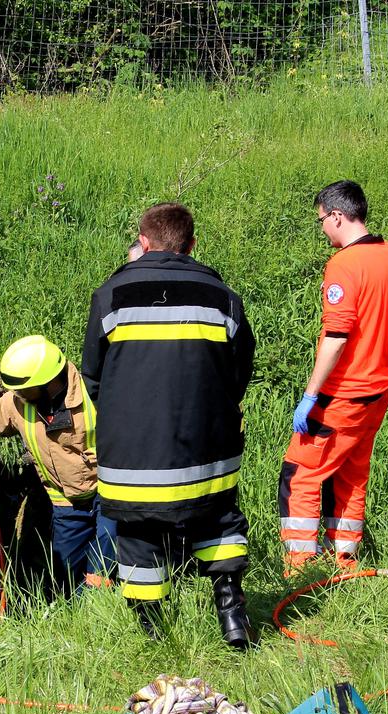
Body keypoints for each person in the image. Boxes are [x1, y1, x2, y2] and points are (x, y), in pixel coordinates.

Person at [82, 203, 257, 649]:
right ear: (191, 245)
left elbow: (93, 376)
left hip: (133, 450)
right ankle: (232, 615)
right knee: (217, 518)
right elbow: (240, 373)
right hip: (206, 444)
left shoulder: (111, 295)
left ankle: (153, 635)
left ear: (143, 243)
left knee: (138, 533)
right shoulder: (223, 298)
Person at [279, 181, 388, 575]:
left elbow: (336, 336)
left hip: (343, 392)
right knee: (352, 473)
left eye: (322, 220)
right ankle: (344, 558)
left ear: (337, 216)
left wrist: (310, 393)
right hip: (380, 389)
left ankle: (300, 566)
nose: (322, 229)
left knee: (300, 474)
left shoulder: (343, 265)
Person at [0, 335, 115, 596]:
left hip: (108, 496)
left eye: (23, 389)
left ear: (48, 382)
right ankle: (77, 617)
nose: (16, 395)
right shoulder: (19, 403)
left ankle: (103, 616)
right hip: (65, 503)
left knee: (102, 570)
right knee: (66, 573)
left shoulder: (97, 396)